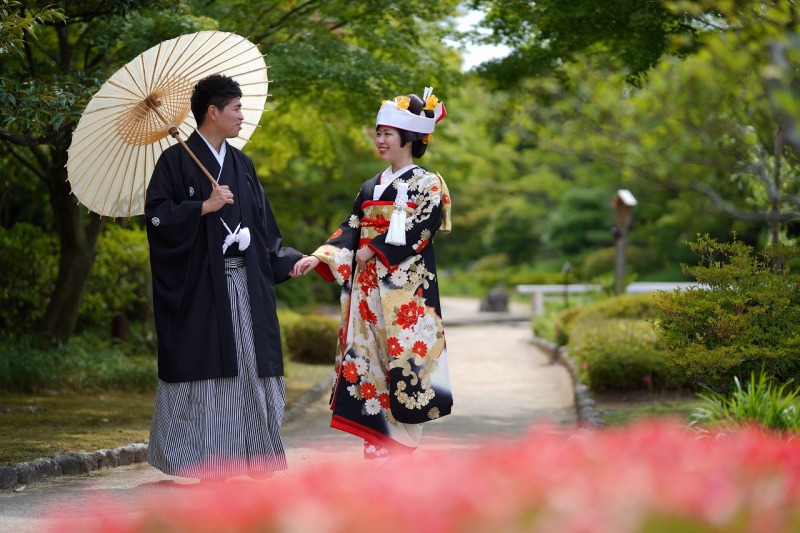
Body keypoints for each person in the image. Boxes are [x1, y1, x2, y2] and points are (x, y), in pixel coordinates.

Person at [144, 74, 303, 480]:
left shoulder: (241, 163)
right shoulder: (175, 161)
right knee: (207, 370)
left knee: (250, 366)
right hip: (199, 288)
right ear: (212, 111)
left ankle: (253, 455)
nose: (241, 116)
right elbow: (157, 218)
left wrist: (293, 261)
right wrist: (202, 207)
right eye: (236, 108)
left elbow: (265, 228)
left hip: (244, 284)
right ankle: (208, 460)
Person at [291, 88, 453, 459]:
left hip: (406, 294)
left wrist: (374, 248)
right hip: (366, 291)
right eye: (378, 132)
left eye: (387, 133)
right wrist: (321, 256)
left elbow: (421, 230)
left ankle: (402, 447)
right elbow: (350, 227)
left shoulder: (428, 184)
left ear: (409, 139)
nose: (380, 140)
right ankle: (377, 444)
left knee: (405, 363)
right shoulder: (370, 186)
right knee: (369, 362)